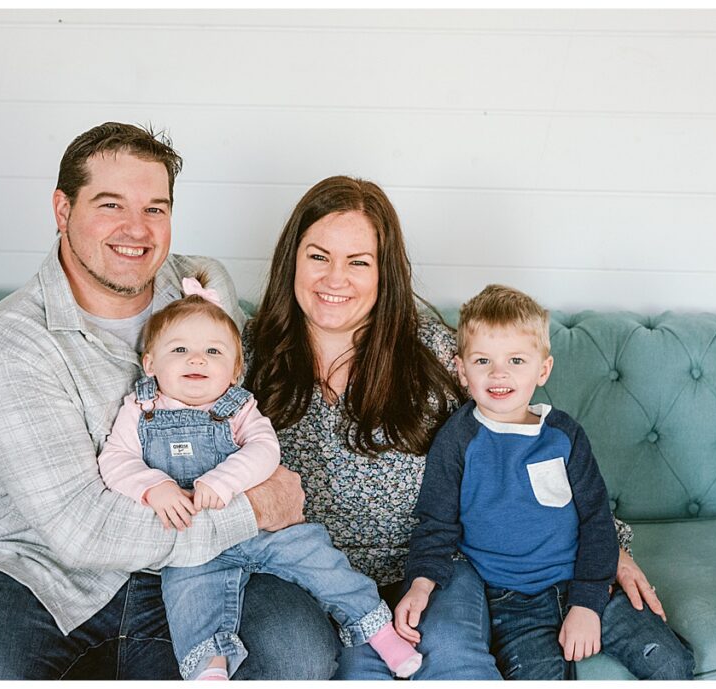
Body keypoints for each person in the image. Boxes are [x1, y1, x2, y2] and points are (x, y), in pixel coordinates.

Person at [0, 122, 339, 680]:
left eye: (155, 208)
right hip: (43, 570)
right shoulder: (10, 341)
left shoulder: (203, 286)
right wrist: (255, 508)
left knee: (295, 654)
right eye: (111, 204)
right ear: (63, 210)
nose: (137, 229)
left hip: (210, 563)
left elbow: (241, 409)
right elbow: (81, 530)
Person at [242, 176, 670, 679]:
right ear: (292, 259)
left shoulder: (434, 351)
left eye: (358, 262)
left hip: (434, 562)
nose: (335, 278)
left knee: (451, 656)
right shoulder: (243, 355)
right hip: (307, 572)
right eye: (319, 256)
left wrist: (609, 550)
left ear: (384, 273)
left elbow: (529, 441)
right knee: (339, 667)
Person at [97, 274, 422, 680]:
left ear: (235, 371)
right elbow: (116, 459)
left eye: (213, 351)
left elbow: (265, 450)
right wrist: (153, 487)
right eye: (179, 349)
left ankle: (380, 632)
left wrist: (224, 481)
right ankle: (210, 668)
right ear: (150, 364)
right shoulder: (140, 409)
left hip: (263, 529)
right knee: (189, 599)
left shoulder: (238, 407)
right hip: (194, 543)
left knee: (320, 559)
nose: (196, 360)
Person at [394, 284, 696, 680]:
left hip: (585, 581)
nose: (499, 373)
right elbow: (436, 524)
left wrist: (587, 602)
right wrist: (420, 583)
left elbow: (596, 520)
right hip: (510, 603)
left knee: (670, 662)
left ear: (543, 369)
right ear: (462, 370)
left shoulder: (564, 435)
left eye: (516, 360)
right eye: (483, 360)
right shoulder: (456, 441)